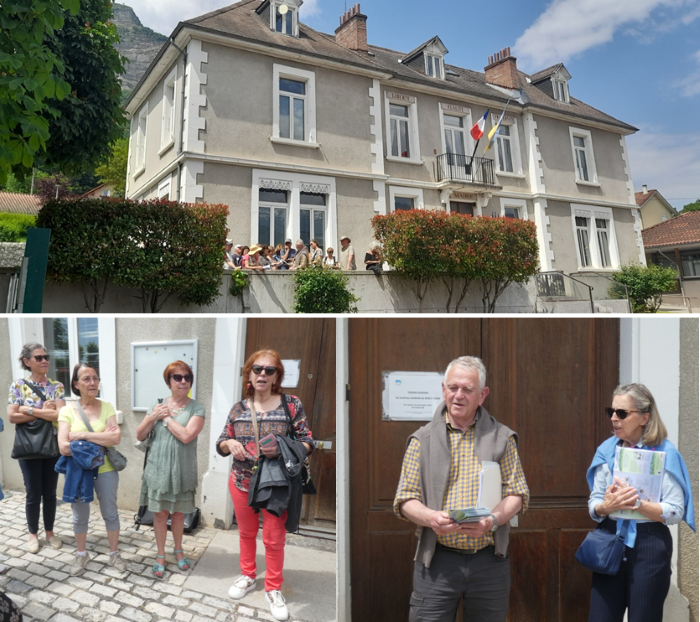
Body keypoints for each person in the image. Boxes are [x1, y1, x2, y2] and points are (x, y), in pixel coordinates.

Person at [394, 356, 529, 622]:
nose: (458, 395)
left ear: (482, 395)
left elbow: (517, 493)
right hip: (437, 561)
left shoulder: (502, 437)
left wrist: (492, 521)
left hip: (489, 561)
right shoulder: (421, 440)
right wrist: (431, 518)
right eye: (453, 388)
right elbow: (405, 499)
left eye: (467, 389)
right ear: (443, 389)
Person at [216, 350, 315, 621]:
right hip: (241, 481)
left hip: (275, 485)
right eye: (257, 369)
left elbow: (308, 442)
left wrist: (283, 448)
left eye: (269, 370)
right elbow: (222, 440)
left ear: (276, 377)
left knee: (273, 540)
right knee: (246, 533)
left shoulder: (290, 404)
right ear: (248, 374)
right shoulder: (238, 408)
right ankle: (248, 575)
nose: (262, 374)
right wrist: (230, 443)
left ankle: (273, 587)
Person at [586, 383, 695, 622]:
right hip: (609, 539)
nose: (614, 418)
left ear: (644, 417)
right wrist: (605, 507)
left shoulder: (665, 453)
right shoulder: (606, 451)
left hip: (650, 544)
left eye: (622, 413)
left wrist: (637, 504)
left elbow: (676, 511)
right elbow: (594, 503)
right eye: (611, 412)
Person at [136, 361, 206, 579]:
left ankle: (178, 550)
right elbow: (139, 435)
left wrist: (165, 418)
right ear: (168, 382)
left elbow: (186, 436)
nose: (183, 381)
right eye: (177, 377)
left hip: (182, 470)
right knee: (159, 515)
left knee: (177, 515)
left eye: (187, 377)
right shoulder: (156, 405)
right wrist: (152, 416)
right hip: (158, 470)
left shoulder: (197, 407)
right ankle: (159, 555)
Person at [57, 363, 126, 576]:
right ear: (76, 384)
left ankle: (114, 553)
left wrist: (82, 436)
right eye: (86, 379)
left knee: (110, 513)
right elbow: (64, 447)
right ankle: (81, 554)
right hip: (79, 471)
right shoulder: (67, 411)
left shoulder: (106, 407)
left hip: (105, 469)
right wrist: (100, 437)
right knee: (79, 516)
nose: (93, 382)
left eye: (95, 378)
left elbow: (115, 437)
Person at [7, 343, 66, 554]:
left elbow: (59, 415)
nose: (44, 361)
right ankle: (33, 534)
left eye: (46, 357)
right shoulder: (18, 385)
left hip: (51, 444)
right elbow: (12, 416)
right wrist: (41, 409)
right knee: (33, 493)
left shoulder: (56, 386)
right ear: (27, 362)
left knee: (50, 492)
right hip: (28, 447)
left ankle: (50, 532)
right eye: (39, 358)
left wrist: (27, 409)